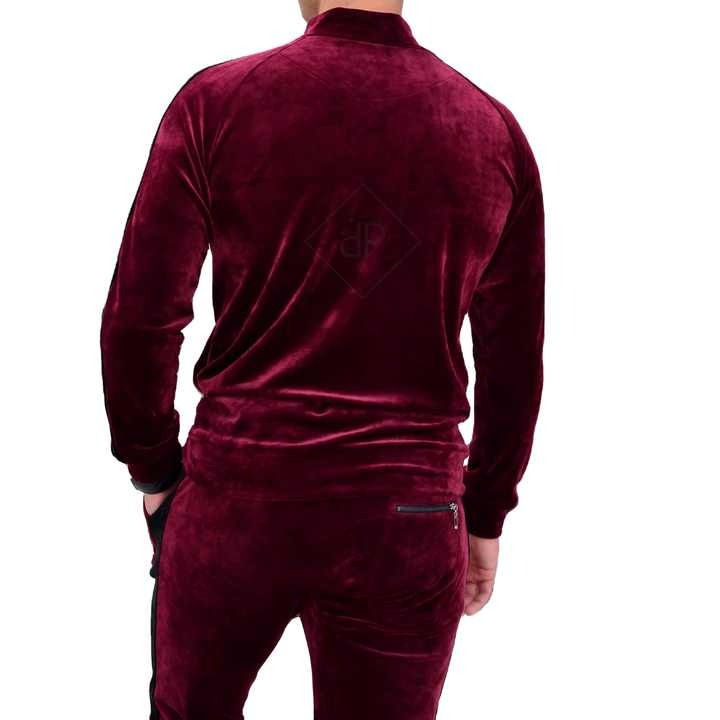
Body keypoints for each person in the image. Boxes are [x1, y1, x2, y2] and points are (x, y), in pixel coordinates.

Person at [100, 1, 545, 718]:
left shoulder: (217, 103)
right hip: (407, 516)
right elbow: (513, 364)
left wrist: (153, 469)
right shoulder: (491, 133)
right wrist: (486, 513)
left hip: (237, 498)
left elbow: (140, 318)